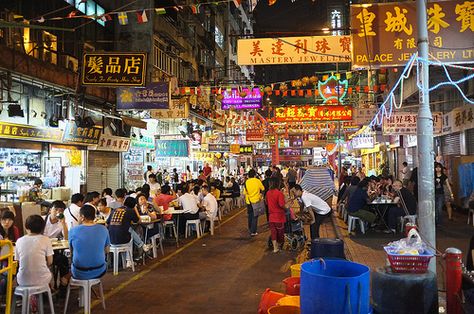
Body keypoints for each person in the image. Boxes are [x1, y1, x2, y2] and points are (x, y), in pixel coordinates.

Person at [69, 205, 110, 280]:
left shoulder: (73, 230)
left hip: (79, 271)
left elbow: (71, 252)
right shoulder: (104, 229)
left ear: (82, 217)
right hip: (100, 270)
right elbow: (107, 250)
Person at [15, 215, 53, 287]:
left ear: (26, 227)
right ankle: (44, 293)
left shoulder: (19, 241)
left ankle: (31, 296)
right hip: (43, 279)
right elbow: (50, 262)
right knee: (47, 272)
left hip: (23, 280)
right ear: (42, 228)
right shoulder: (46, 239)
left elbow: (18, 261)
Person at [266, 177, 287, 253]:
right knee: (280, 233)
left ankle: (275, 248)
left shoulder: (268, 192)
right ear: (277, 183)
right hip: (279, 217)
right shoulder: (279, 193)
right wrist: (286, 208)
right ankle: (279, 245)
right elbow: (281, 204)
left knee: (273, 232)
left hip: (271, 217)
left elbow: (267, 203)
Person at [244, 169, 265, 236]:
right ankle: (253, 231)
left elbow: (244, 192)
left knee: (250, 215)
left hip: (249, 201)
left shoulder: (246, 182)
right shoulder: (257, 181)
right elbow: (263, 189)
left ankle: (250, 229)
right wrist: (261, 195)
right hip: (256, 200)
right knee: (255, 216)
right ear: (254, 174)